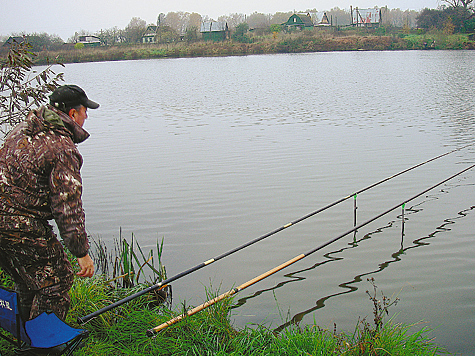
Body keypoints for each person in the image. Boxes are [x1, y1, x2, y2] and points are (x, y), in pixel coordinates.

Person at [0, 84, 98, 322]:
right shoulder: (63, 149)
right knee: (58, 278)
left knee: (29, 280)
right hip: (19, 222)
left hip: (6, 220)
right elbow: (67, 206)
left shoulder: (22, 129)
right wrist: (81, 251)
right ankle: (45, 346)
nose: (87, 116)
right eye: (85, 111)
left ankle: (26, 336)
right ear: (73, 114)